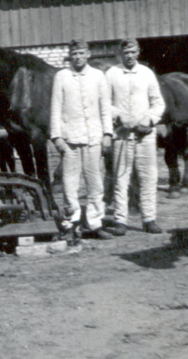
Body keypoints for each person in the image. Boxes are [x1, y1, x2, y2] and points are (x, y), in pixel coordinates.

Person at [50, 40, 114, 242]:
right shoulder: (62, 77)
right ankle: (72, 223)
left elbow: (105, 108)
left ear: (88, 54)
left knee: (95, 184)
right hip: (70, 140)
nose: (77, 57)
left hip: (94, 138)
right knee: (69, 184)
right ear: (70, 56)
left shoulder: (98, 76)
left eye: (81, 53)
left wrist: (107, 134)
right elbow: (56, 109)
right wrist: (57, 137)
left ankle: (95, 224)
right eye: (74, 53)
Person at [104, 39, 166, 235]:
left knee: (148, 177)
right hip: (122, 135)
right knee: (121, 178)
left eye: (133, 51)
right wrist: (118, 115)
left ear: (138, 52)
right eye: (126, 52)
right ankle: (120, 220)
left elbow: (158, 103)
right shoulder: (112, 74)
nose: (129, 55)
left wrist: (148, 120)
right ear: (120, 54)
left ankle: (149, 219)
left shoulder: (147, 74)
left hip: (144, 136)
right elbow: (104, 103)